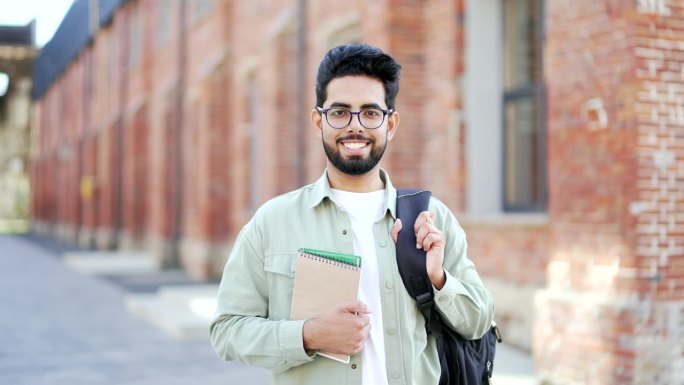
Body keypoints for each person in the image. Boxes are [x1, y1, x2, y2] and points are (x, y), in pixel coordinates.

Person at [210, 43, 494, 385]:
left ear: (391, 124)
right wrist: (309, 335)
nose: (355, 126)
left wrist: (439, 279)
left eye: (371, 113)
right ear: (319, 120)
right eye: (340, 112)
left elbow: (479, 321)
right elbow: (227, 331)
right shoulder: (273, 221)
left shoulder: (431, 217)